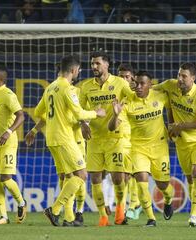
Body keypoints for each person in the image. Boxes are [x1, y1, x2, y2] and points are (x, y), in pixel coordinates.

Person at [34, 55, 105, 226]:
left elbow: (37, 112)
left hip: (51, 138)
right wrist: (97, 113)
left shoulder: (50, 87)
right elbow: (80, 114)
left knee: (69, 176)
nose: (78, 73)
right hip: (64, 138)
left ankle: (69, 217)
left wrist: (55, 120)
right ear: (73, 70)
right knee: (81, 175)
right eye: (78, 70)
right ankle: (55, 210)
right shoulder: (67, 88)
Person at [109, 71, 174, 227]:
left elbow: (172, 105)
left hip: (160, 147)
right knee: (141, 179)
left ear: (150, 85)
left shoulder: (160, 96)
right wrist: (115, 115)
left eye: (141, 84)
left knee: (163, 185)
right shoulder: (127, 102)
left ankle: (168, 199)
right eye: (136, 83)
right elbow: (111, 128)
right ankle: (151, 218)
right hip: (138, 148)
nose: (137, 87)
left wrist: (172, 124)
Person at [153, 63, 196, 228]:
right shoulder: (171, 85)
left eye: (184, 76)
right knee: (190, 178)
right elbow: (152, 89)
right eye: (179, 75)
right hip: (182, 142)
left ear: (193, 78)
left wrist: (180, 126)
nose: (180, 79)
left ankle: (194, 214)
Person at [79, 51, 133, 226]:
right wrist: (83, 124)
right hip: (95, 138)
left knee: (118, 177)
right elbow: (79, 111)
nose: (94, 66)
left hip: (116, 137)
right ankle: (103, 216)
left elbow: (135, 99)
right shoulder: (86, 86)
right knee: (95, 178)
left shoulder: (120, 83)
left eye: (97, 63)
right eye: (92, 64)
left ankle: (120, 210)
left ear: (107, 65)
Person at [25, 88, 87, 227]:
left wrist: (85, 123)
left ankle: (77, 213)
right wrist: (34, 130)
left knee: (76, 178)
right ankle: (68, 216)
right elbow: (46, 115)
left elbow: (82, 113)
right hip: (64, 140)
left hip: (75, 140)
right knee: (66, 176)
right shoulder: (57, 91)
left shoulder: (79, 92)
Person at [0, 65, 27, 225]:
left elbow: (21, 116)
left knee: (5, 178)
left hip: (7, 142)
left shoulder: (8, 95)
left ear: (1, 79)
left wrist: (8, 131)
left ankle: (22, 203)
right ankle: (3, 216)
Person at [116, 63, 142, 220]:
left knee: (134, 173)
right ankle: (130, 205)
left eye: (126, 76)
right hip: (123, 138)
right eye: (121, 76)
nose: (123, 79)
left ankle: (134, 204)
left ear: (133, 78)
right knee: (124, 174)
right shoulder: (117, 93)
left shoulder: (139, 92)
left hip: (139, 138)